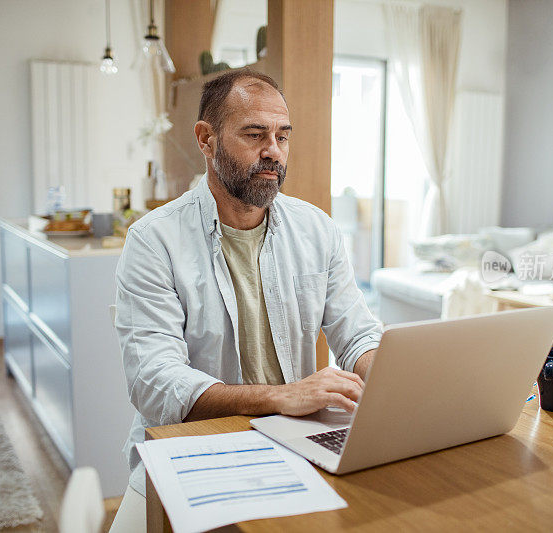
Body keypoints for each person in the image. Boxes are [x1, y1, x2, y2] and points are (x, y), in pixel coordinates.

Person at [108, 68, 382, 531]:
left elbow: (357, 333)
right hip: (191, 451)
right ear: (206, 139)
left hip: (296, 444)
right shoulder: (154, 241)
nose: (272, 151)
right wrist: (280, 397)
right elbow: (156, 384)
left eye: (282, 136)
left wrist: (394, 382)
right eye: (255, 135)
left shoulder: (318, 230)